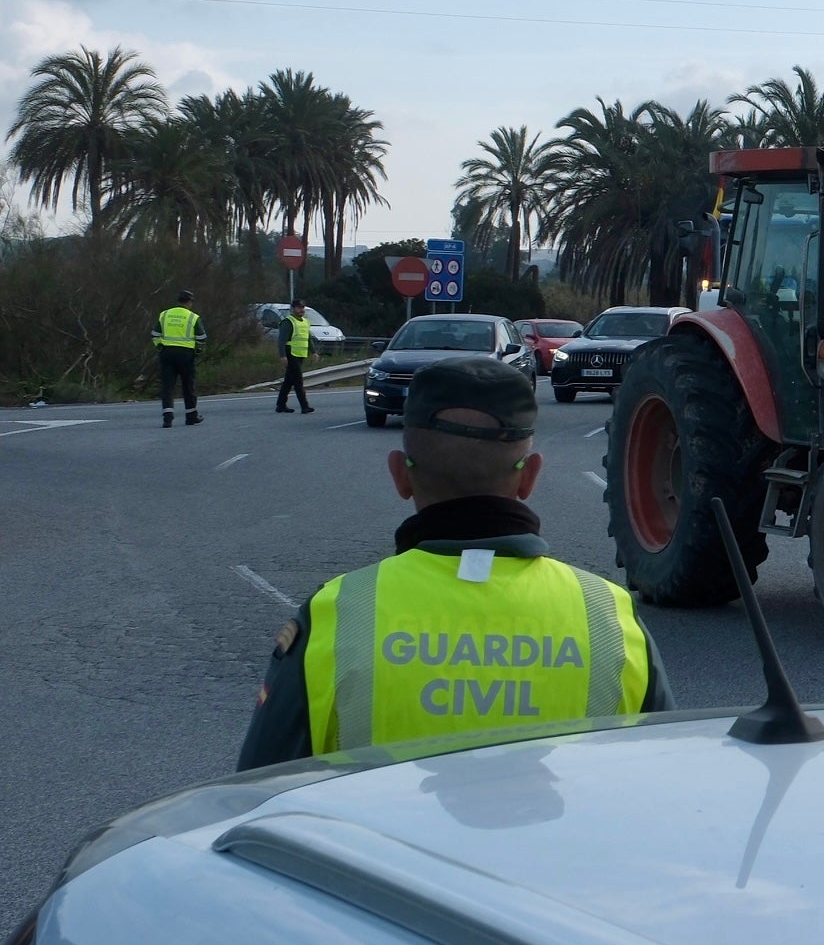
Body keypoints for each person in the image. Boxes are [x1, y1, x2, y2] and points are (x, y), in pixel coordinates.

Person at [236, 356, 674, 769]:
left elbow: (253, 796)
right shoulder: (611, 618)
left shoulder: (337, 614)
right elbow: (660, 794)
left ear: (400, 475)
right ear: (530, 476)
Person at [151, 289, 205, 427]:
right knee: (188, 386)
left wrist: (160, 347)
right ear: (189, 302)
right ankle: (191, 416)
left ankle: (167, 418)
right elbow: (201, 338)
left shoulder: (165, 314)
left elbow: (155, 334)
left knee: (167, 386)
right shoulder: (193, 317)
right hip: (186, 355)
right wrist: (197, 351)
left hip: (167, 353)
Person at [274, 301, 314, 413]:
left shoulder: (305, 322)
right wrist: (282, 356)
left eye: (302, 307)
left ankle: (280, 405)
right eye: (298, 307)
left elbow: (308, 338)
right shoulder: (288, 322)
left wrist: (313, 351)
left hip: (300, 354)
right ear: (292, 309)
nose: (301, 310)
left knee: (289, 381)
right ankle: (304, 406)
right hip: (290, 354)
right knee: (298, 381)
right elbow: (281, 341)